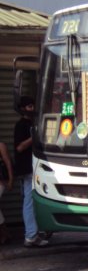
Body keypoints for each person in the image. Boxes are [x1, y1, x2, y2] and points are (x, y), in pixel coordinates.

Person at [14, 96, 48, 248]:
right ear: (22, 109)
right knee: (29, 202)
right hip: (27, 169)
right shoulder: (21, 125)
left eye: (32, 105)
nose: (32, 109)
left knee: (31, 202)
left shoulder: (31, 123)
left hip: (31, 168)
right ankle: (31, 235)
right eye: (29, 106)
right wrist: (34, 137)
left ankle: (34, 233)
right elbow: (19, 147)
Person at [0, 141, 14, 245]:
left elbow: (7, 162)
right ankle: (5, 234)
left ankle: (5, 234)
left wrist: (10, 180)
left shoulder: (1, 145)